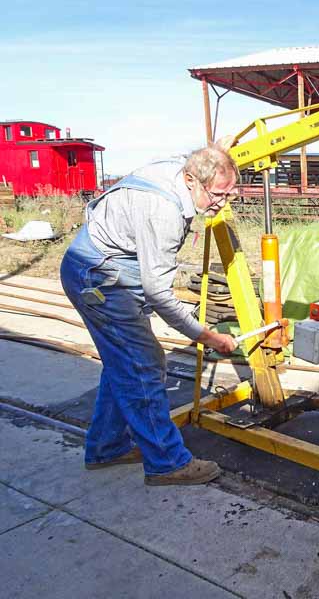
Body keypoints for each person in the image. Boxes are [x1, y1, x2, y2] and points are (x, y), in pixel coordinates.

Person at [60, 143, 239, 485]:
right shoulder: (165, 212)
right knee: (143, 364)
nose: (222, 202)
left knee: (124, 363)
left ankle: (107, 447)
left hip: (106, 266)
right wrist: (207, 336)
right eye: (217, 194)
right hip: (99, 276)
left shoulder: (184, 169)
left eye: (230, 193)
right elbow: (158, 293)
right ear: (191, 180)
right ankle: (167, 462)